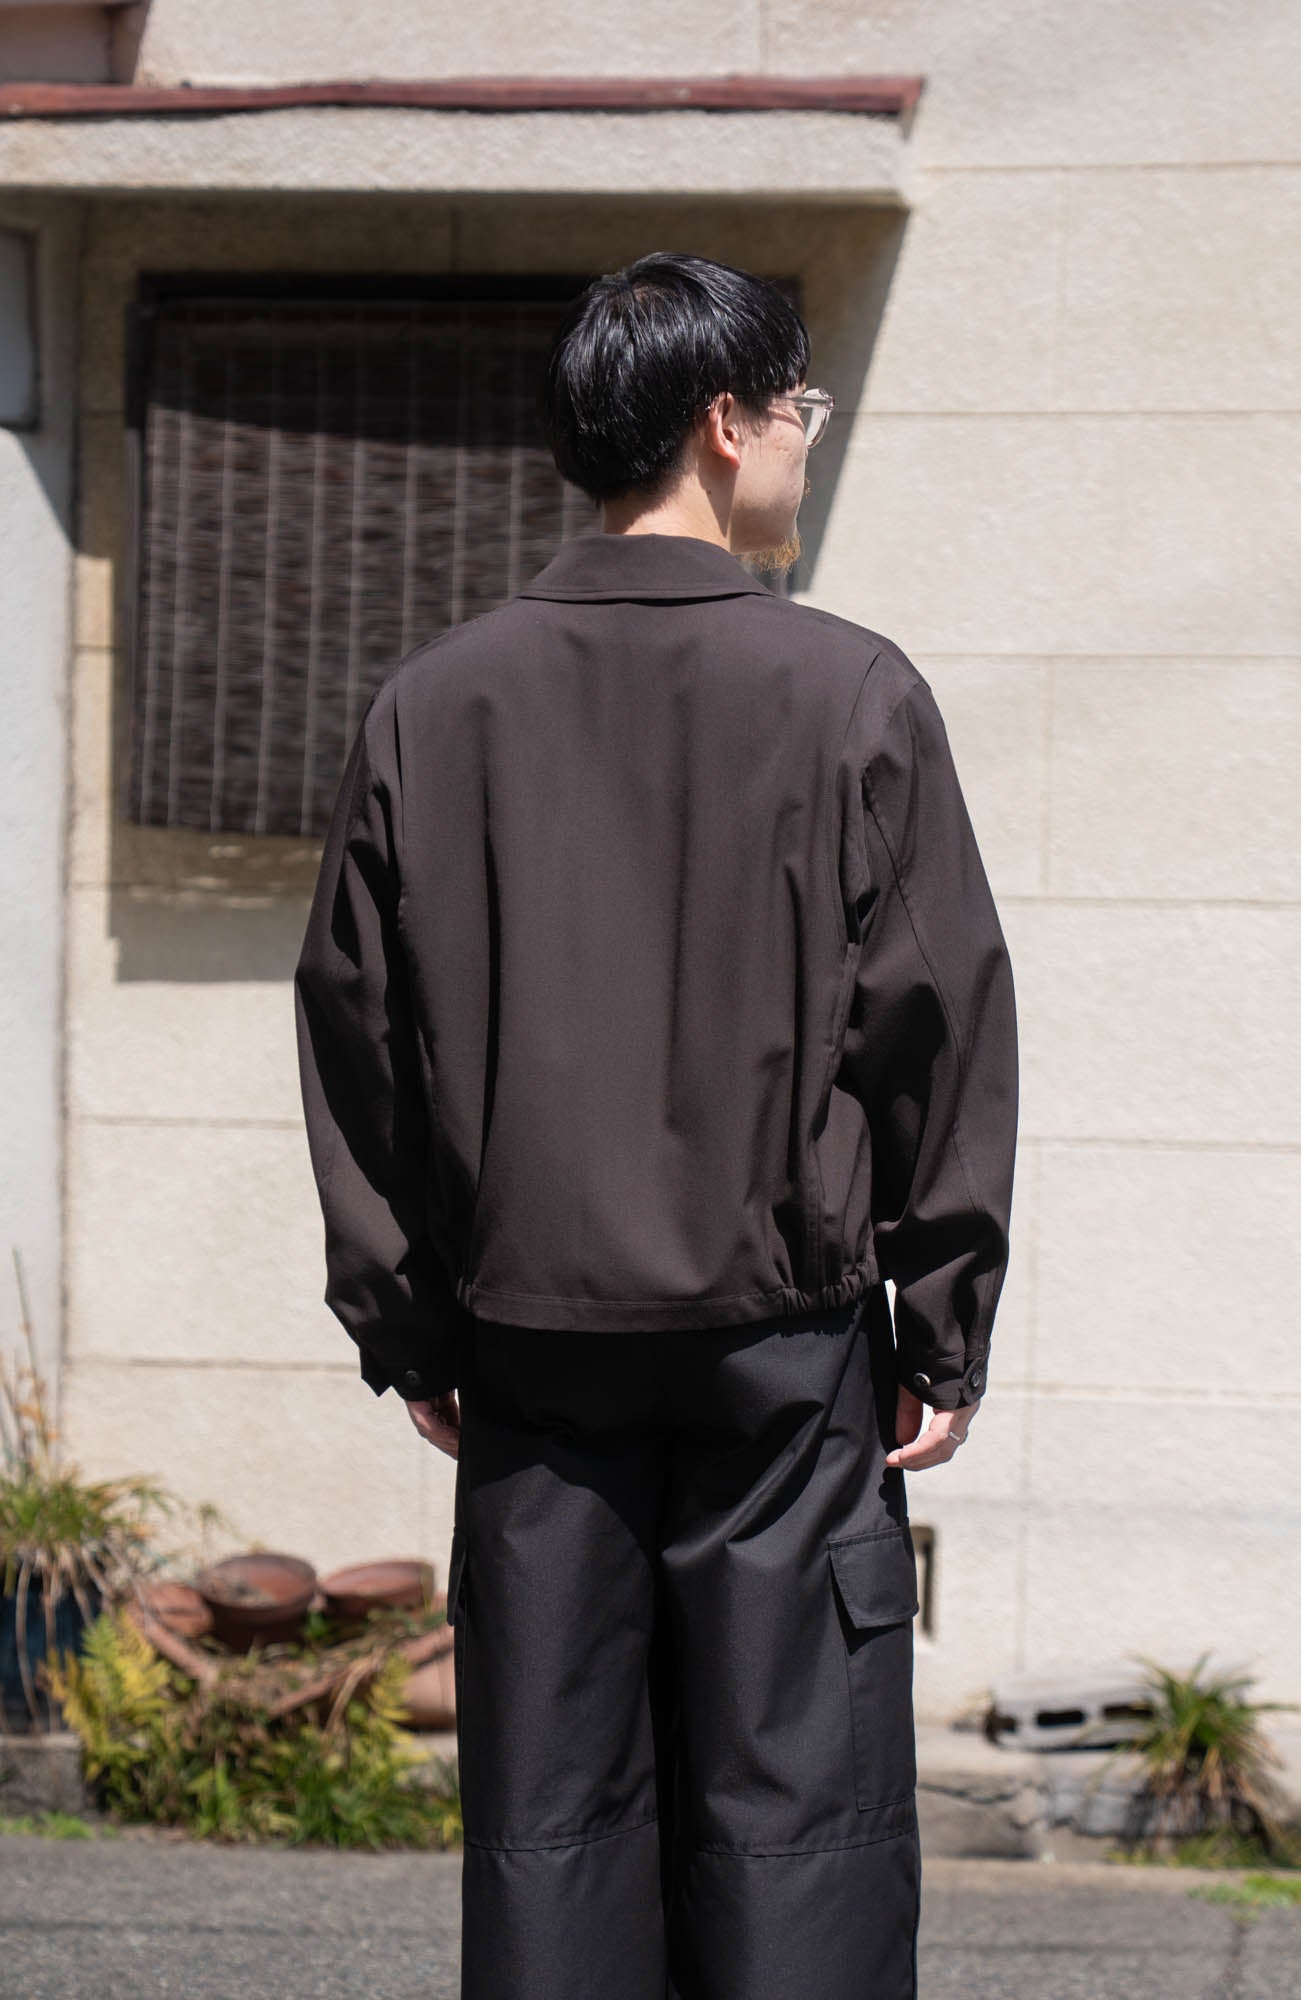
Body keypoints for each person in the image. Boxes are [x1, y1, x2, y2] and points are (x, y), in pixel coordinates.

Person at [293, 251, 1020, 1999]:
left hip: (532, 1360)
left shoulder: (435, 702)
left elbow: (357, 1033)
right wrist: (943, 1322)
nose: (803, 439)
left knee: (556, 1833)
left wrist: (412, 1326)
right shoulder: (847, 691)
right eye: (797, 407)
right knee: (796, 1836)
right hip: (780, 1365)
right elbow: (934, 1021)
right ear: (721, 423)